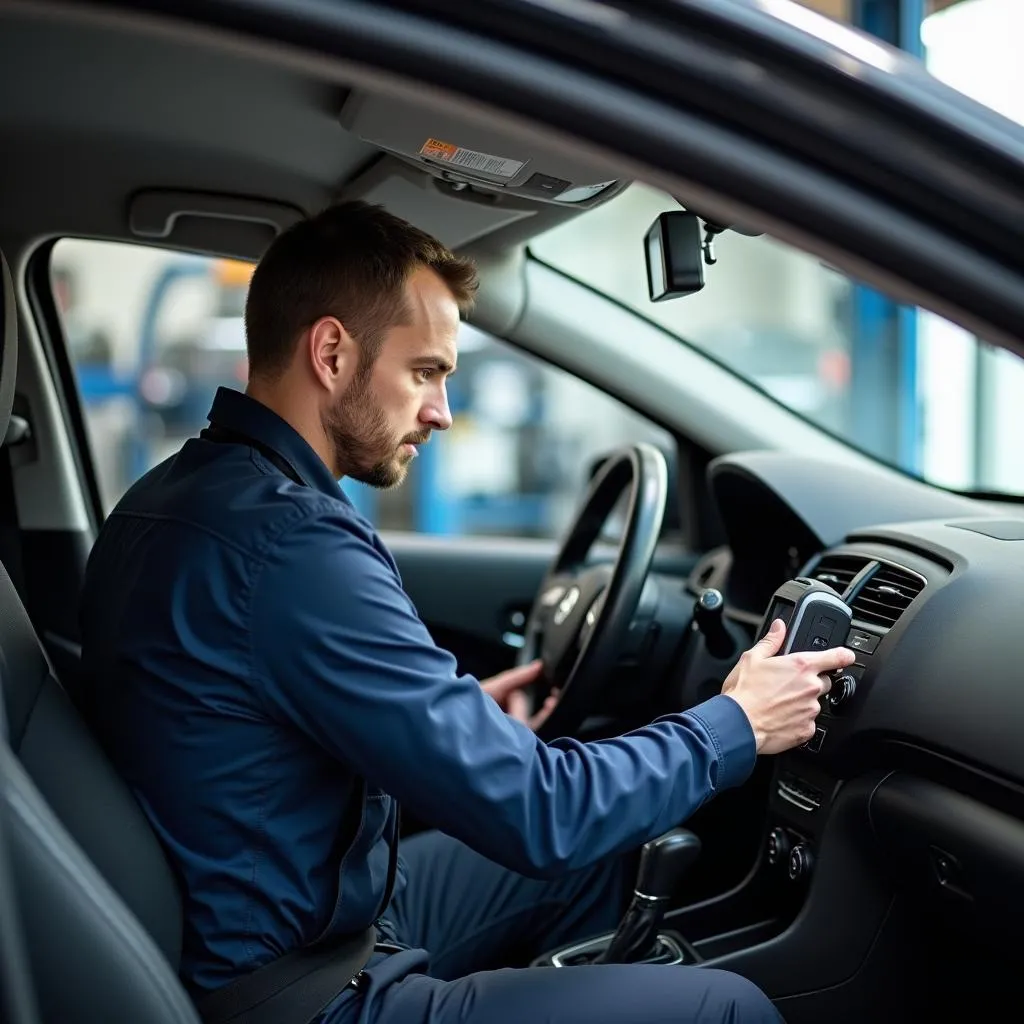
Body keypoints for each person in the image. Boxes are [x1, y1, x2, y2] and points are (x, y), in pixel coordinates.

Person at [79, 201, 855, 1024]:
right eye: (425, 372)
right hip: (302, 994)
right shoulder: (296, 547)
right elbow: (543, 814)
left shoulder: (164, 501)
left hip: (283, 926)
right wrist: (736, 721)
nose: (443, 411)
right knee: (723, 1008)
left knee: (606, 859)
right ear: (333, 352)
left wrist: (453, 725)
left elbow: (233, 734)